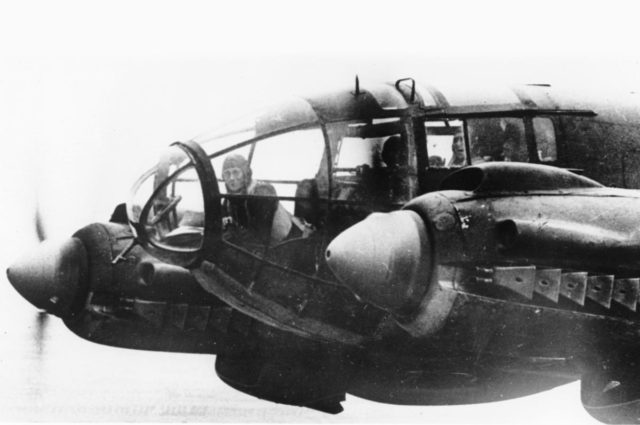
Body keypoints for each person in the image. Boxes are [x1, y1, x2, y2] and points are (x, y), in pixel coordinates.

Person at [222, 153, 305, 244]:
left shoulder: (261, 192)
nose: (231, 178)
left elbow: (261, 235)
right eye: (227, 174)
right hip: (265, 245)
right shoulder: (228, 200)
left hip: (291, 241)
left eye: (236, 172)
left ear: (245, 173)